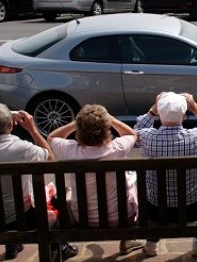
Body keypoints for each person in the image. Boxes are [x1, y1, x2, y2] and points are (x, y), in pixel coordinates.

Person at [0, 104, 77, 262]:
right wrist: (32, 129)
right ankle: (59, 249)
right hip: (21, 219)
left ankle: (12, 243)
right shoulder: (23, 149)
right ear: (11, 125)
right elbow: (51, 161)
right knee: (52, 200)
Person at [135, 92, 197, 257]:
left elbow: (135, 130)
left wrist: (153, 110)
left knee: (148, 186)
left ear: (160, 114)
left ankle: (152, 243)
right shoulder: (196, 137)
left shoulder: (147, 137)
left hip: (156, 209)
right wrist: (195, 107)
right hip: (191, 208)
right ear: (183, 114)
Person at [47, 105, 142, 254]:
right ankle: (127, 239)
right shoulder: (117, 148)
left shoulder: (71, 150)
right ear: (106, 128)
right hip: (121, 218)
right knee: (131, 183)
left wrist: (77, 122)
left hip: (83, 219)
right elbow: (132, 134)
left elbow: (51, 137)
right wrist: (112, 119)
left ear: (79, 129)